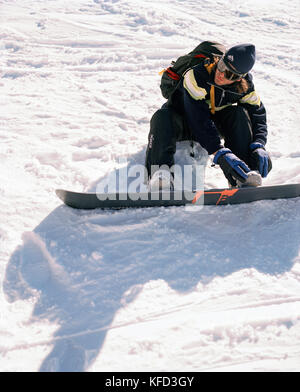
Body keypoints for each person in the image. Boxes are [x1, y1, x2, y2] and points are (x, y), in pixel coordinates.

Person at [145, 43, 272, 190]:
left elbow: (257, 113)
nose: (221, 74)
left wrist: (259, 144)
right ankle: (160, 175)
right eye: (222, 66)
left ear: (239, 79)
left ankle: (243, 173)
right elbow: (197, 119)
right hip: (184, 122)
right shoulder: (196, 75)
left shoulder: (245, 86)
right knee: (161, 116)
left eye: (229, 74)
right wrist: (219, 151)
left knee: (239, 114)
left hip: (212, 125)